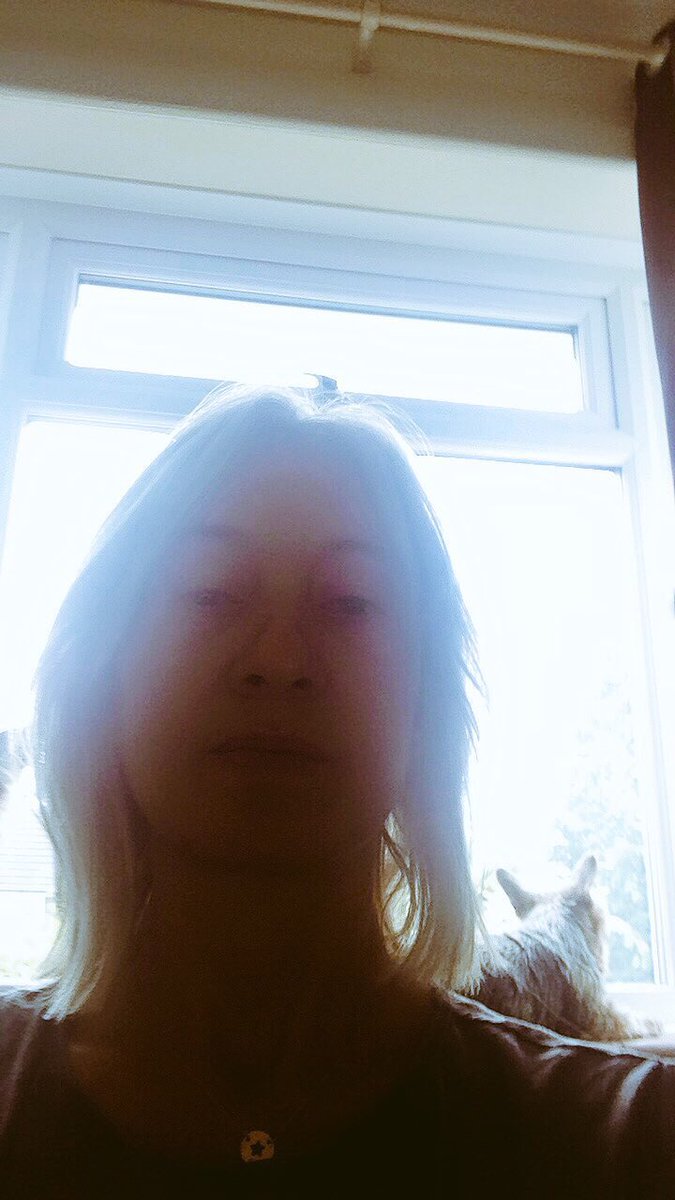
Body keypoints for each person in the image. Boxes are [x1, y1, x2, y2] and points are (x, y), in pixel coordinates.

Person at [0, 382, 673, 1199]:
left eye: (351, 603)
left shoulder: (628, 1144)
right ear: (101, 672)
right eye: (208, 591)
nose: (279, 660)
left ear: (424, 708)